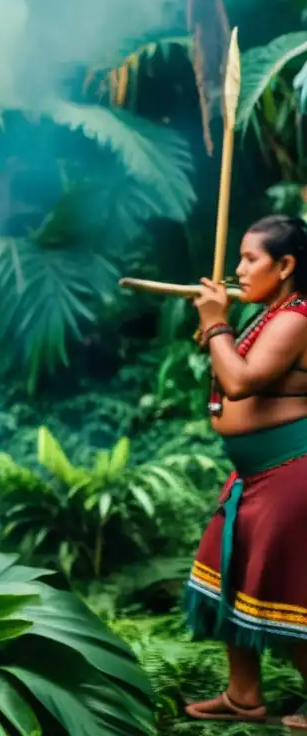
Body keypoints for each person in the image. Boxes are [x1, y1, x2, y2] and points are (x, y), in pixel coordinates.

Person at [184, 215, 307, 730]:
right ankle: (244, 695)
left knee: (279, 586)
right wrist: (219, 326)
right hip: (255, 474)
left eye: (250, 259)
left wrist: (216, 322)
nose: (238, 269)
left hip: (290, 471)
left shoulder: (298, 317)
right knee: (228, 572)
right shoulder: (270, 313)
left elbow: (240, 382)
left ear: (285, 266)